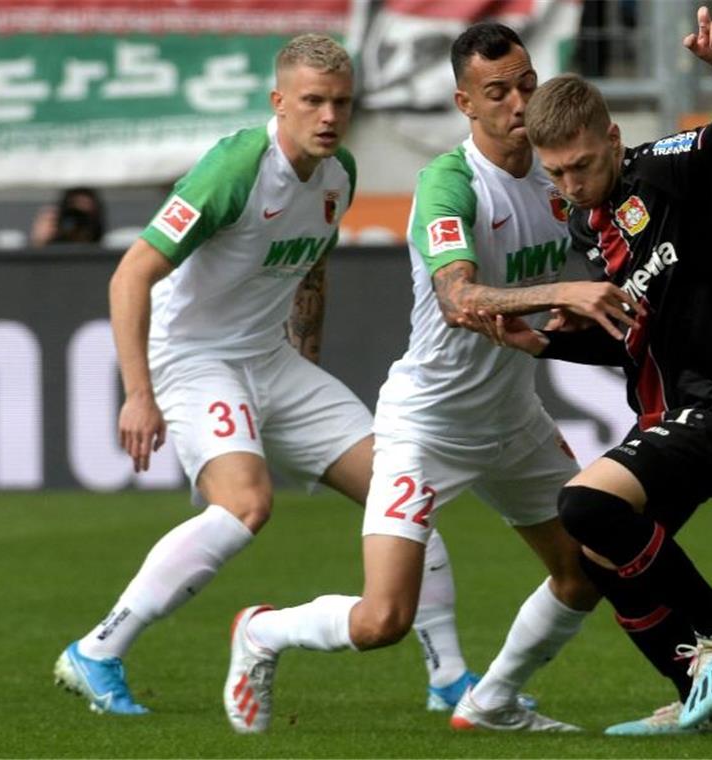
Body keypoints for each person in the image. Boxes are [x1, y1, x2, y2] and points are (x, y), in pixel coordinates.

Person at [221, 23, 641, 734]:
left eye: (527, 85)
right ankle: (262, 630)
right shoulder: (450, 181)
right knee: (383, 619)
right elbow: (459, 300)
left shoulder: (555, 173)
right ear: (465, 103)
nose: (518, 104)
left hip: (513, 423)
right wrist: (560, 295)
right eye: (498, 93)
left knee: (584, 573)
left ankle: (492, 701)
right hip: (427, 427)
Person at [53, 33, 480, 717]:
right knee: (246, 503)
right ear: (278, 102)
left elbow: (309, 266)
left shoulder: (338, 172)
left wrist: (302, 361)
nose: (329, 116)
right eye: (312, 101)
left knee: (403, 486)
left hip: (271, 361)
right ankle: (98, 650)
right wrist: (139, 393)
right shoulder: (235, 167)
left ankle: (450, 679)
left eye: (340, 102)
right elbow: (132, 272)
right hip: (193, 357)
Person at [484, 5, 712, 736]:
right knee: (598, 556)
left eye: (583, 164)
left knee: (583, 506)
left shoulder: (668, 172)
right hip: (673, 417)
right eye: (557, 172)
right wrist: (542, 343)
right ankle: (698, 698)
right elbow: (630, 338)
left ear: (612, 139)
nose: (573, 183)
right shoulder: (589, 226)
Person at [30, 187, 106, 246]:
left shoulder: (108, 253)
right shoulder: (51, 242)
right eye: (73, 215)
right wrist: (39, 243)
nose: (78, 222)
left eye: (84, 218)